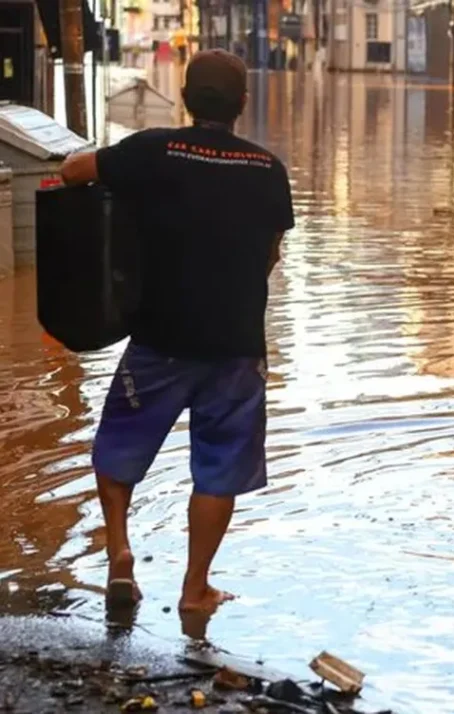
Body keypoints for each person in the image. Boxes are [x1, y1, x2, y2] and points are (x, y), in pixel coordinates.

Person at [60, 49, 294, 614]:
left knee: (118, 447)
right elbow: (269, 255)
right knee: (219, 468)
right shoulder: (268, 170)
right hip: (236, 346)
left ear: (185, 99)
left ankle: (119, 553)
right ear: (242, 103)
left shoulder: (153, 150)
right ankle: (196, 589)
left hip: (160, 339)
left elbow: (72, 173)